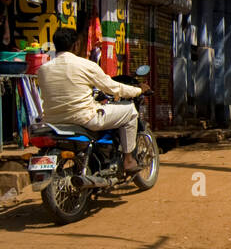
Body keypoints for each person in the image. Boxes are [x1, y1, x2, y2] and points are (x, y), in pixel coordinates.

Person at [36, 27, 150, 173]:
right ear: (76, 45)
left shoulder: (43, 69)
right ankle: (128, 159)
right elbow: (113, 88)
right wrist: (138, 90)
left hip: (53, 121)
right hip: (84, 118)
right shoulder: (85, 65)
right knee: (130, 111)